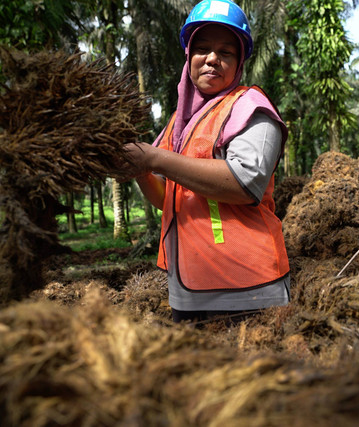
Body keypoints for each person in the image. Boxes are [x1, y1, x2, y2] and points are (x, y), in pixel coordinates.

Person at [125, 0, 290, 325]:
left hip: (248, 289)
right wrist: (142, 171)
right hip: (188, 288)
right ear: (189, 56)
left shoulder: (250, 107)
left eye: (226, 52)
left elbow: (245, 183)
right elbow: (170, 199)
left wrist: (156, 157)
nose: (212, 58)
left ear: (239, 60)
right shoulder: (180, 121)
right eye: (202, 48)